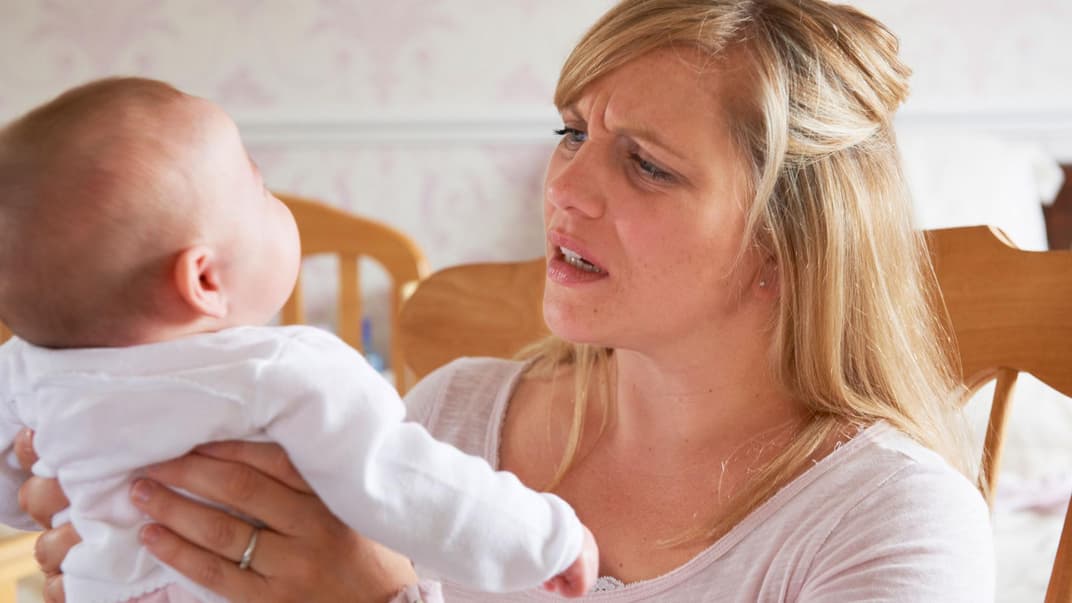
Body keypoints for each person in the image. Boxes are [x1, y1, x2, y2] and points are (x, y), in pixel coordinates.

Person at [19, 0, 996, 601]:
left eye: (646, 165)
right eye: (572, 131)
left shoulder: (890, 523)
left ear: (787, 240)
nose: (564, 186)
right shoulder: (450, 415)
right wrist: (149, 546)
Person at [0, 77, 599, 603]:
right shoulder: (280, 372)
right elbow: (405, 483)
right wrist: (547, 540)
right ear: (205, 279)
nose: (278, 203)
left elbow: (18, 495)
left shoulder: (26, 369)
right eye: (260, 191)